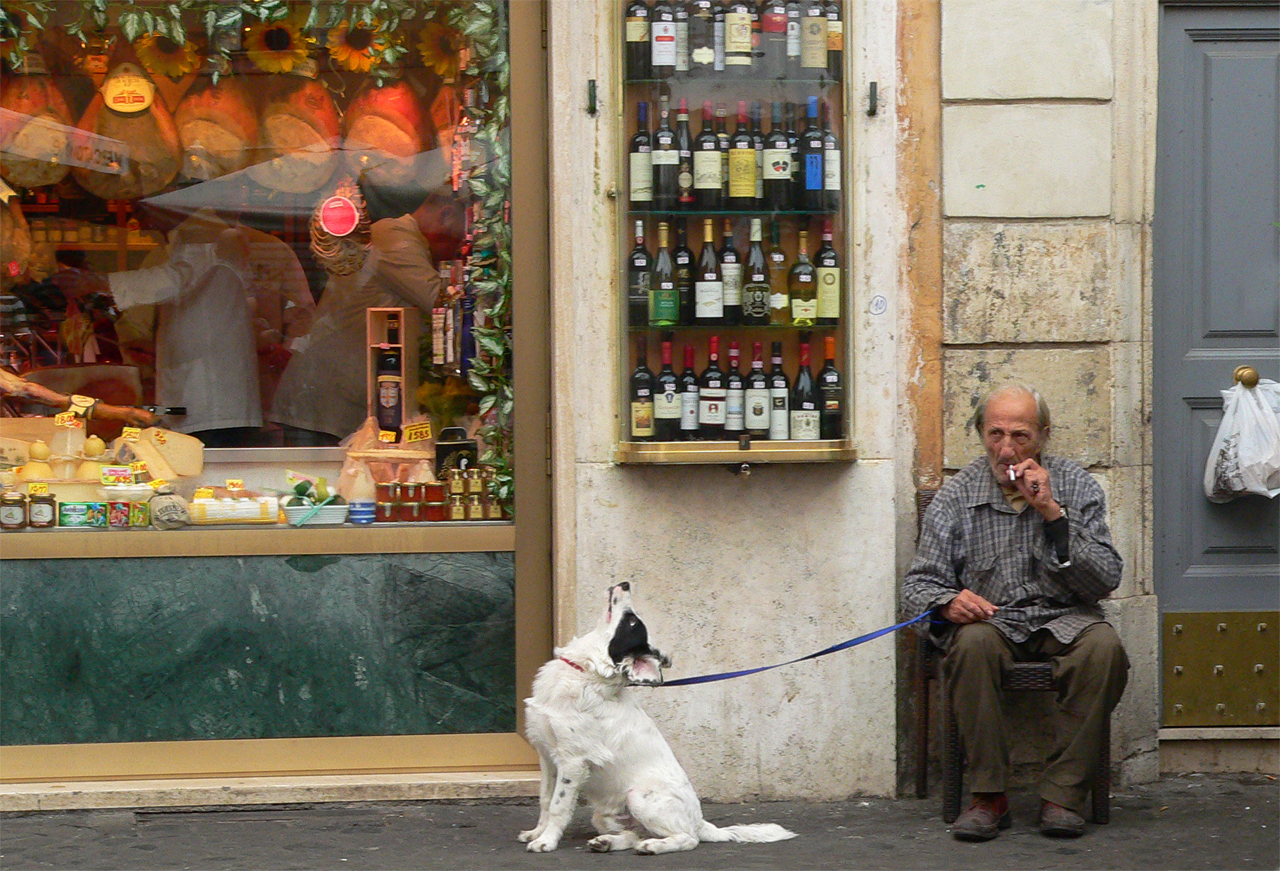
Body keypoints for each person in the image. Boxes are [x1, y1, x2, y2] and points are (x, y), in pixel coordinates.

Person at [902, 383, 1129, 842]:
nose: (1006, 448)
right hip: (994, 622)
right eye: (995, 433)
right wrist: (948, 602)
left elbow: (1106, 577)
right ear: (981, 433)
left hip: (1065, 617)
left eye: (1020, 436)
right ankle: (988, 796)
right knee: (969, 645)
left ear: (1043, 436)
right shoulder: (956, 495)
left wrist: (1051, 512)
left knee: (1104, 649)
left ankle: (1062, 796)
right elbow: (918, 585)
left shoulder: (1076, 484)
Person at [54, 206, 261, 446]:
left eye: (143, 210)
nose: (140, 222)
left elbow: (174, 279)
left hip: (214, 399)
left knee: (208, 465)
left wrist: (98, 281)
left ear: (165, 204)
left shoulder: (206, 232)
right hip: (199, 391)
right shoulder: (187, 238)